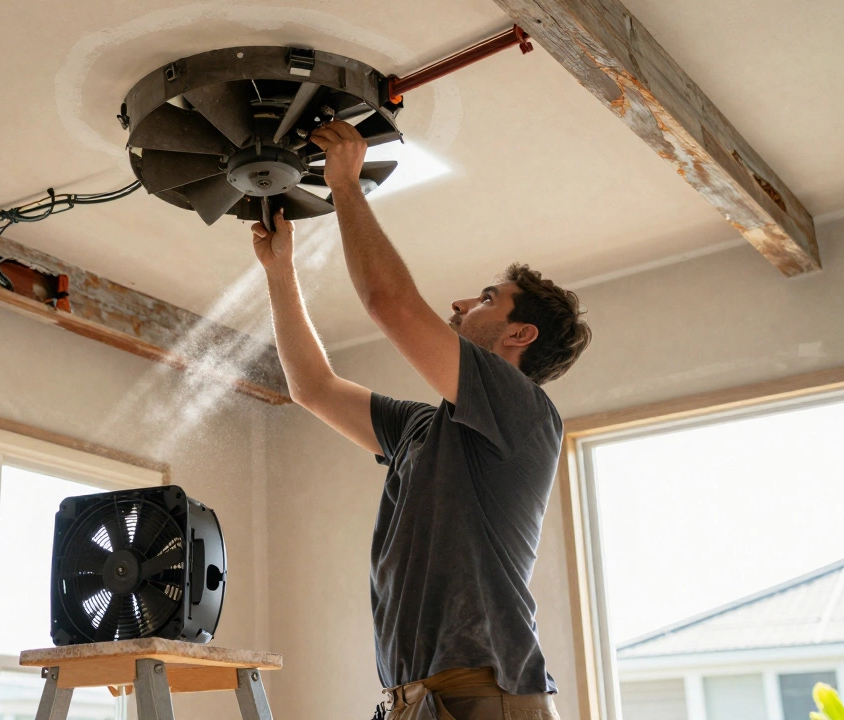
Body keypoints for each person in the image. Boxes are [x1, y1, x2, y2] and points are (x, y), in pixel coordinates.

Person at [251, 120, 592, 720]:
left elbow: (390, 303)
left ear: (519, 334)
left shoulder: (524, 411)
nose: (461, 303)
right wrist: (280, 272)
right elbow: (313, 388)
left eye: (487, 298)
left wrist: (346, 187)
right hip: (418, 700)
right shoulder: (421, 429)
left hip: (483, 696)